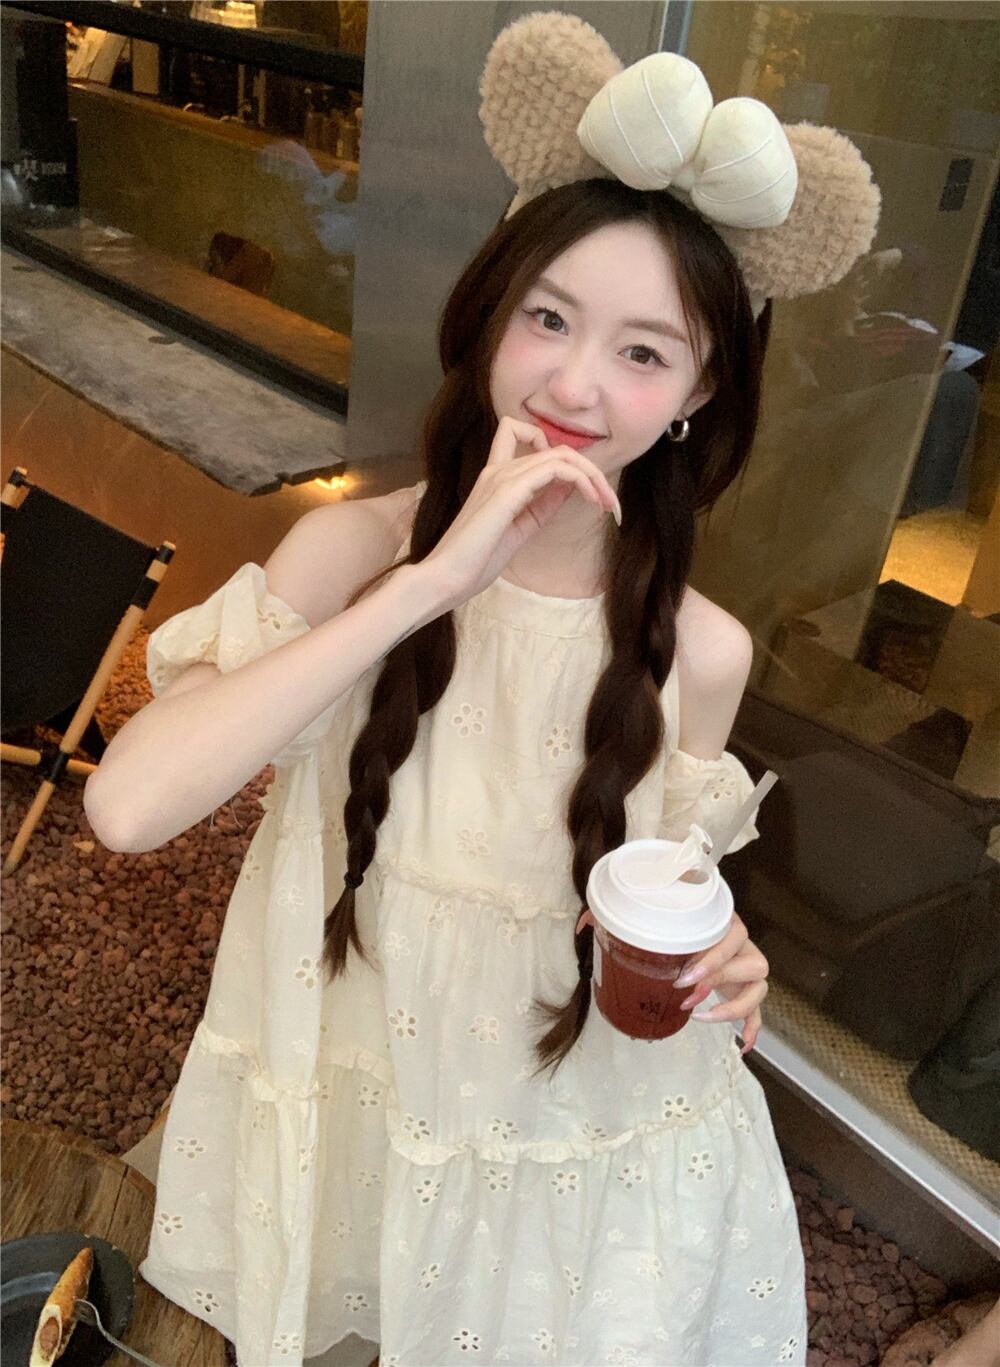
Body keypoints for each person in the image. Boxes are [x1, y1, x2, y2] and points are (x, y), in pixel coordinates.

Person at [83, 14, 880, 1366]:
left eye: (644, 352)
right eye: (548, 318)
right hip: (360, 1059)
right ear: (490, 318)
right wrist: (432, 581)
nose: (574, 383)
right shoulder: (352, 553)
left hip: (558, 1115)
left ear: (697, 394)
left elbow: (654, 888)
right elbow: (127, 808)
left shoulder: (701, 653)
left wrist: (722, 948)